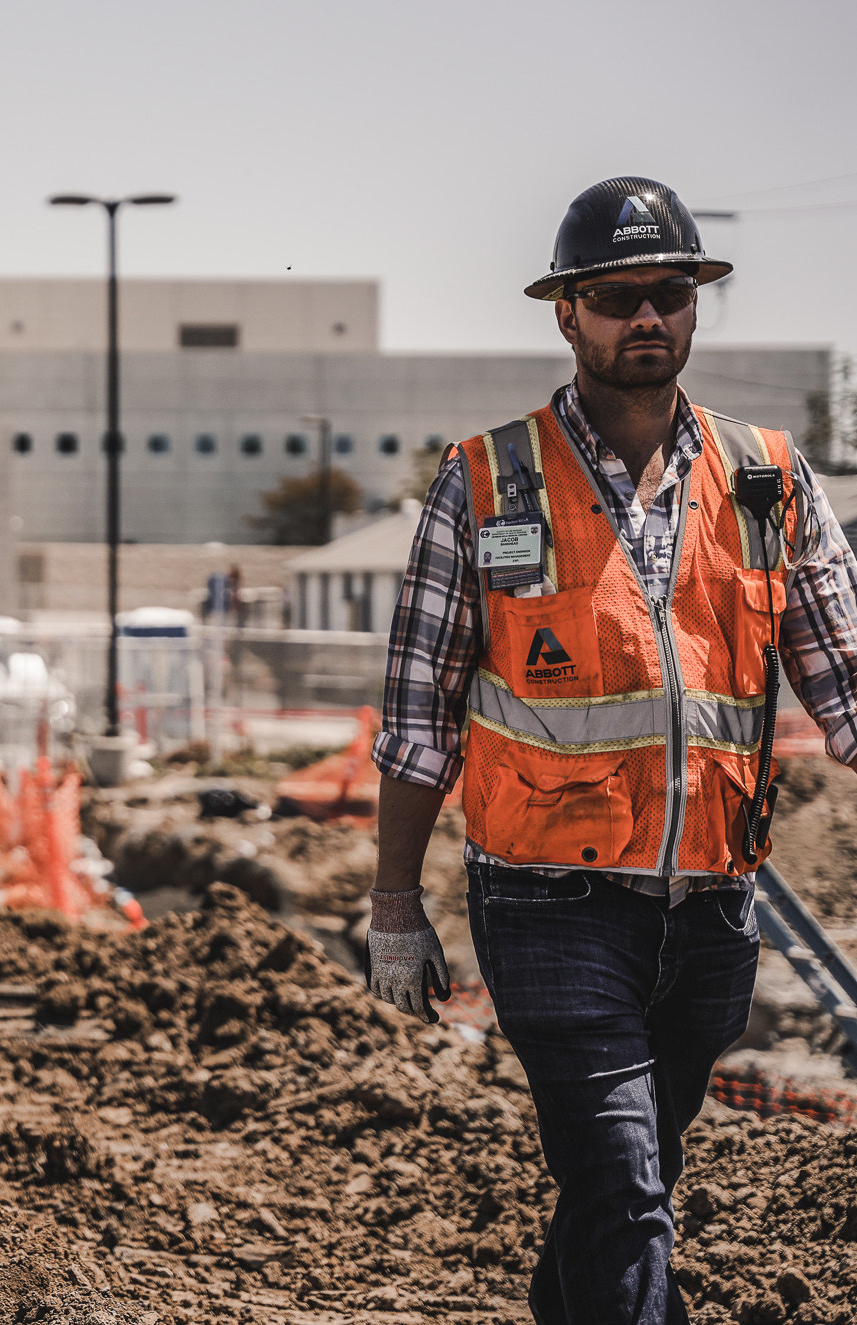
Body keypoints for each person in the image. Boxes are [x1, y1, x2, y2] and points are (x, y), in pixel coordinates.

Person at [365, 176, 857, 1323]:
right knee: (623, 1178)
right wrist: (394, 902)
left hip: (707, 908)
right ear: (565, 313)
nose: (646, 316)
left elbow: (846, 683)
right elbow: (415, 712)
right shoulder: (482, 480)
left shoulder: (767, 479)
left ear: (692, 306)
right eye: (616, 296)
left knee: (625, 1178)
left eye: (668, 293)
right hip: (546, 902)